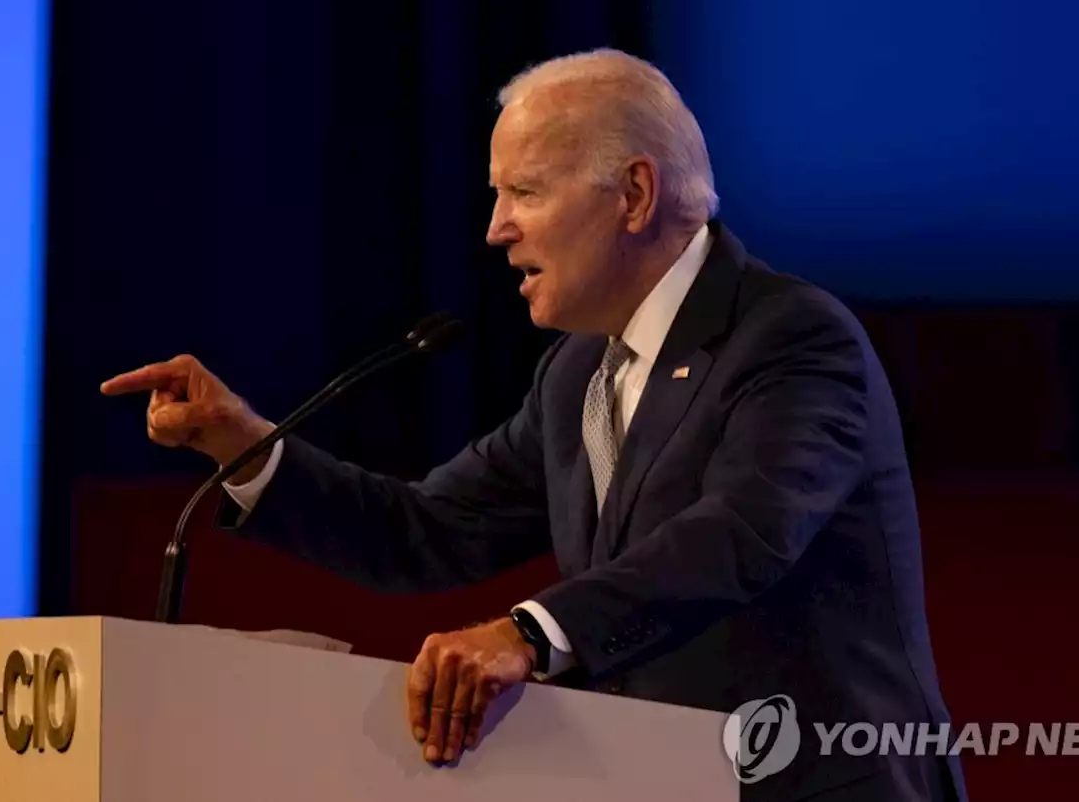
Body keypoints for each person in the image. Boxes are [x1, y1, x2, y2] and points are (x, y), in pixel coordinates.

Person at [101, 49, 966, 801]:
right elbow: (428, 532)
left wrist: (527, 634)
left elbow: (741, 534)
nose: (495, 229)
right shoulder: (578, 374)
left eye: (523, 192)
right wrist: (241, 443)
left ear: (633, 193)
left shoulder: (790, 337)